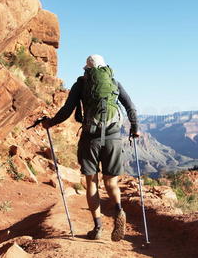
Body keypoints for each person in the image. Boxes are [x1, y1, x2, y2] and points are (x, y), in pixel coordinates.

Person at [42, 54, 139, 241]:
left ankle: (98, 228)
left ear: (87, 69)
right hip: (113, 138)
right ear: (104, 68)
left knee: (92, 183)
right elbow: (131, 108)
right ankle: (119, 210)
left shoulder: (81, 84)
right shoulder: (114, 83)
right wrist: (135, 129)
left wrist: (50, 123)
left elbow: (67, 110)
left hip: (90, 139)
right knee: (111, 182)